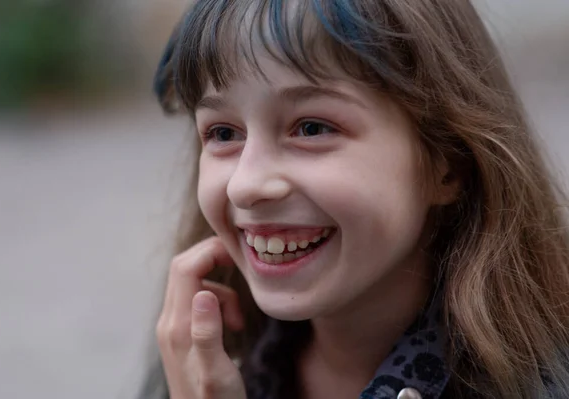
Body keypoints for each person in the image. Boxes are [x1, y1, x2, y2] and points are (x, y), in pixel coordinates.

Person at [143, 1, 569, 398]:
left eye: (311, 128)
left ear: (448, 163)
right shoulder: (197, 367)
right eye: (223, 133)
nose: (245, 185)